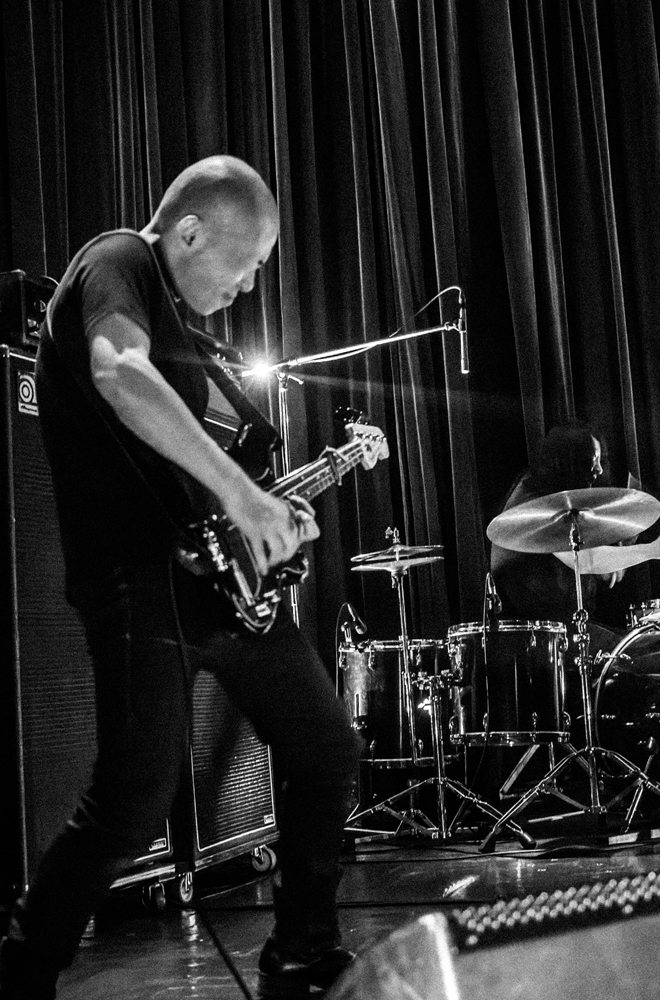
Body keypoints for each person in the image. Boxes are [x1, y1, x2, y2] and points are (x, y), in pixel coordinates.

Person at [0, 156, 361, 999]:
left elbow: (192, 470)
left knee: (325, 747)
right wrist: (241, 496)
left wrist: (269, 520)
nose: (247, 285)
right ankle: (20, 971)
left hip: (216, 586)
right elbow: (118, 373)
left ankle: (303, 949)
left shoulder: (194, 338)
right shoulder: (117, 260)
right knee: (131, 800)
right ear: (190, 230)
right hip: (136, 583)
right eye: (246, 264)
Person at [489, 424, 660, 642]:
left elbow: (587, 559)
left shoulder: (555, 498)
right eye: (593, 460)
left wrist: (611, 561)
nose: (599, 470)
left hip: (563, 628)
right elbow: (586, 561)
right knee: (652, 650)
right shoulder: (536, 502)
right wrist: (654, 549)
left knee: (656, 640)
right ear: (569, 461)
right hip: (538, 636)